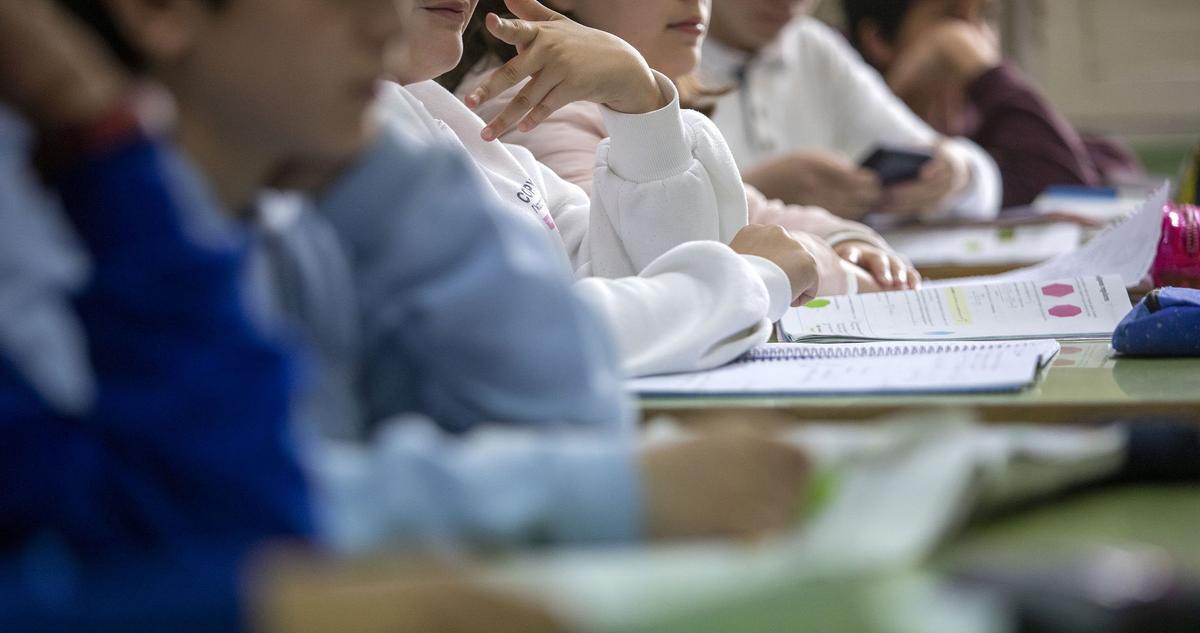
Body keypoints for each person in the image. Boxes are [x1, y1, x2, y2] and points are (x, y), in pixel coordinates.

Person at [0, 0, 575, 633]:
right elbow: (239, 559)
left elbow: (252, 537)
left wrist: (105, 143)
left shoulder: (270, 223)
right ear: (158, 12)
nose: (389, 26)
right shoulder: (52, 230)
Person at [51, 0, 814, 554]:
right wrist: (741, 284)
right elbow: (218, 519)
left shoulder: (315, 188)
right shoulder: (71, 231)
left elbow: (567, 402)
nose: (382, 22)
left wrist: (645, 103)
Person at [453, 0, 921, 294]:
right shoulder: (529, 110)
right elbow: (672, 271)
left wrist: (846, 240)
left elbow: (746, 215)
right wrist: (824, 265)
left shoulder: (603, 105)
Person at [700, 0, 1001, 221]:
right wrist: (752, 194)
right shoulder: (662, 56)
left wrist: (956, 173)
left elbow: (978, 178)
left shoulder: (812, 46)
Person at [843, 0, 1144, 208]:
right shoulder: (847, 134)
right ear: (878, 39)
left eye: (986, 14)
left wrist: (985, 74)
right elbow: (1063, 185)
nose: (976, 40)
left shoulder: (995, 127)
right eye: (950, 17)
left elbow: (1106, 172)